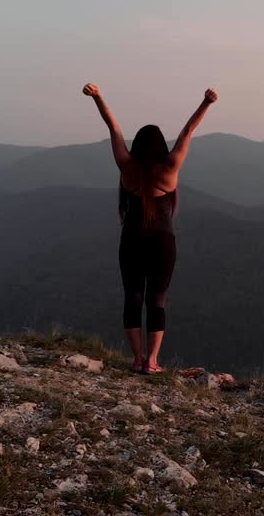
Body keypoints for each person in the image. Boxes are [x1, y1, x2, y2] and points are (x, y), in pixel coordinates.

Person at [82, 83, 218, 373]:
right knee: (157, 299)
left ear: (138, 146)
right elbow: (187, 132)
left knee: (133, 296)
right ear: (160, 146)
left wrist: (98, 97)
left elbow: (114, 128)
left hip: (131, 239)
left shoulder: (127, 168)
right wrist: (206, 103)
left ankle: (136, 359)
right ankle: (153, 362)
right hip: (162, 243)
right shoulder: (169, 168)